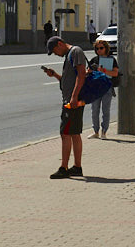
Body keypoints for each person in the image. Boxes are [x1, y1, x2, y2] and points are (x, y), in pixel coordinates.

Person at [43, 35, 87, 179]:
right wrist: (55, 75)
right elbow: (68, 80)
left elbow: (81, 75)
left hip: (72, 102)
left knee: (65, 133)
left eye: (55, 50)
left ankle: (64, 167)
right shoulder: (70, 55)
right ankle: (77, 167)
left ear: (60, 44)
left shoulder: (75, 52)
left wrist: (74, 97)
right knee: (73, 133)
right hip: (72, 100)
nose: (56, 54)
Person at [88, 38, 119, 139]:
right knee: (94, 110)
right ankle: (96, 131)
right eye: (97, 48)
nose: (99, 50)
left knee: (106, 110)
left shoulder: (111, 59)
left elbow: (115, 73)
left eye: (101, 48)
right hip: (95, 88)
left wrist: (104, 70)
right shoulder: (94, 60)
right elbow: (87, 72)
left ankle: (104, 132)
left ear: (106, 48)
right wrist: (89, 71)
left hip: (107, 88)